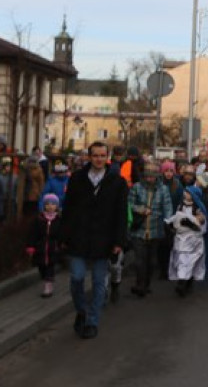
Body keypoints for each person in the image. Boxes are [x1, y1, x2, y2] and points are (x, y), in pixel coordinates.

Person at [60, 141, 128, 339]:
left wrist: (118, 241)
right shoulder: (77, 178)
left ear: (107, 157)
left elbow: (121, 214)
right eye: (95, 155)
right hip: (79, 238)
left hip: (104, 240)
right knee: (77, 277)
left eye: (102, 155)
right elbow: (69, 209)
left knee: (99, 282)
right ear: (89, 157)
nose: (98, 159)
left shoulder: (117, 182)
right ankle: (81, 310)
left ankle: (92, 321)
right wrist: (64, 235)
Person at [127, 162, 173, 298]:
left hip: (156, 230)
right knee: (140, 260)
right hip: (138, 230)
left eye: (152, 176)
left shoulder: (163, 189)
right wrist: (140, 209)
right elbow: (129, 203)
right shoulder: (136, 187)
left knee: (152, 261)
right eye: (147, 176)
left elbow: (167, 206)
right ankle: (140, 284)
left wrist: (168, 221)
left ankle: (146, 284)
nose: (149, 179)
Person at [166, 185, 208, 296]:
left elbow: (202, 223)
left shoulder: (198, 208)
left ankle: (184, 283)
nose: (186, 195)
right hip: (180, 239)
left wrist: (192, 224)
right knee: (180, 260)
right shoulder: (181, 206)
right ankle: (182, 281)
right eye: (186, 192)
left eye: (189, 193)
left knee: (189, 262)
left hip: (193, 240)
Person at [27, 193, 63, 298]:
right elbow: (32, 234)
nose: (50, 206)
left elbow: (61, 234)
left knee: (50, 268)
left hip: (53, 248)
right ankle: (46, 279)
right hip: (41, 248)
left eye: (53, 204)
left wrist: (61, 245)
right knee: (42, 267)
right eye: (47, 204)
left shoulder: (59, 220)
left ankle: (48, 286)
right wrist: (31, 246)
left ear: (57, 206)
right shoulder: (39, 219)